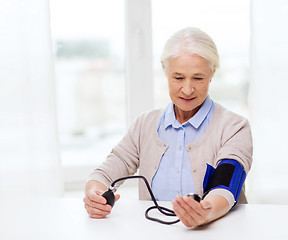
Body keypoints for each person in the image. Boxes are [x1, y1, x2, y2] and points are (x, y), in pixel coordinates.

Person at [83, 27, 253, 227]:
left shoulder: (234, 126)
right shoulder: (144, 124)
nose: (188, 89)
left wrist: (206, 212)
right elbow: (105, 173)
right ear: (165, 72)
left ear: (212, 73)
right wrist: (94, 194)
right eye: (178, 77)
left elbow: (226, 185)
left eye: (198, 78)